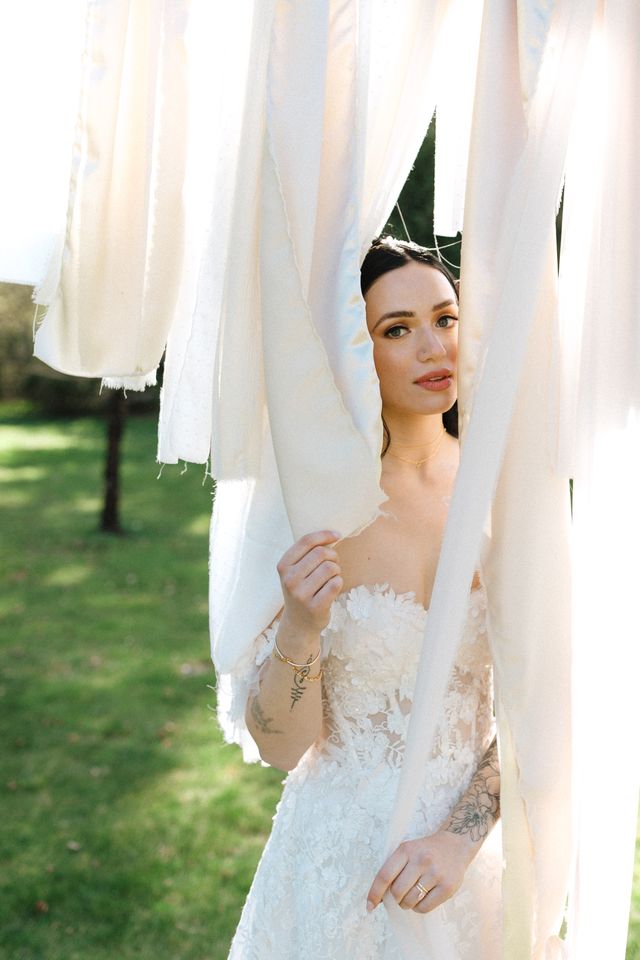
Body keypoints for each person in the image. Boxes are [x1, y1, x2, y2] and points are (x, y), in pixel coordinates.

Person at [224, 236, 503, 958]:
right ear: (357, 353)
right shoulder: (318, 509)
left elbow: (545, 706)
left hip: (468, 873)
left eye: (445, 319)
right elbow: (283, 749)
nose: (433, 347)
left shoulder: (504, 494)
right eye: (397, 330)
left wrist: (459, 840)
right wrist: (300, 625)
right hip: (334, 876)